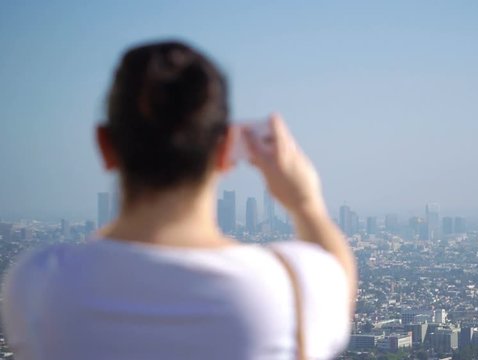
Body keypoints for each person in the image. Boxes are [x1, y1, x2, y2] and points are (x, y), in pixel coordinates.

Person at [1, 41, 356, 360]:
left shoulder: (38, 286)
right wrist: (305, 201)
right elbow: (337, 280)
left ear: (105, 146)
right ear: (224, 150)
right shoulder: (289, 290)